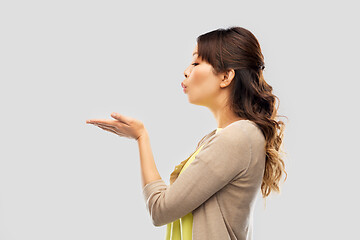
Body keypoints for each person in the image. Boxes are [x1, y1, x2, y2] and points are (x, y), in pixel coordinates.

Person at [85, 26, 287, 240]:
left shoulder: (237, 138)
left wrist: (141, 137)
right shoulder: (221, 137)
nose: (186, 71)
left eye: (196, 62)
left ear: (226, 76)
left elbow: (160, 209)